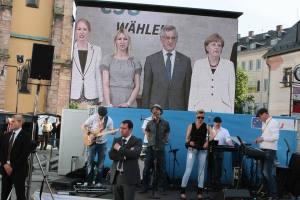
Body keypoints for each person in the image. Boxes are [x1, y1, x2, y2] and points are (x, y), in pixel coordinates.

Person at [142, 25, 192, 111]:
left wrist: (188, 111)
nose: (170, 41)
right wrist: (144, 111)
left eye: (173, 38)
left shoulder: (185, 61)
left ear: (176, 40)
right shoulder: (151, 60)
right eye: (167, 38)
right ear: (161, 39)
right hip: (156, 109)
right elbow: (147, 88)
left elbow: (187, 90)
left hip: (178, 109)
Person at [188, 33, 235, 113]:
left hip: (223, 109)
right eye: (213, 44)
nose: (216, 47)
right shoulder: (198, 64)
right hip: (201, 108)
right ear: (207, 48)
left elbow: (231, 90)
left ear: (221, 49)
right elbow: (193, 90)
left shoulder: (229, 65)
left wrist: (231, 112)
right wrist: (190, 111)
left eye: (219, 45)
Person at [101, 28, 142, 108]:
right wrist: (108, 104)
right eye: (119, 39)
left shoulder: (135, 62)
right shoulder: (107, 59)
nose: (122, 42)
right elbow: (105, 84)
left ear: (129, 41)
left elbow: (137, 86)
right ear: (115, 41)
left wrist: (128, 103)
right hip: (110, 100)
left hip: (130, 100)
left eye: (125, 39)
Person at [81, 106, 117, 187]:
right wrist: (89, 134)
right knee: (90, 163)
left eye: (102, 116)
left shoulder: (109, 120)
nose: (101, 117)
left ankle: (98, 182)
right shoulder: (93, 117)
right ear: (98, 113)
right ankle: (88, 181)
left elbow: (111, 131)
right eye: (100, 115)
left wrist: (113, 132)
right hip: (92, 142)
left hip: (103, 143)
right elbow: (83, 126)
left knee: (101, 164)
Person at [70, 19, 103, 105]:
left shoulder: (96, 50)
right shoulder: (69, 50)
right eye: (79, 29)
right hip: (73, 95)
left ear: (89, 32)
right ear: (75, 31)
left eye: (85, 29)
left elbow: (98, 75)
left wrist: (101, 98)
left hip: (92, 96)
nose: (82, 32)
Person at [139, 104, 170, 195]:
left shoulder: (165, 123)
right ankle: (145, 187)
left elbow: (166, 137)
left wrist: (160, 143)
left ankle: (161, 188)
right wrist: (152, 143)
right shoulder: (149, 123)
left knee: (162, 170)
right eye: (153, 109)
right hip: (150, 148)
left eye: (157, 109)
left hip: (160, 149)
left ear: (160, 111)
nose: (155, 111)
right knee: (147, 169)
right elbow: (148, 136)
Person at [109, 120, 142, 200]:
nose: (121, 130)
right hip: (116, 176)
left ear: (130, 130)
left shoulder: (137, 140)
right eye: (121, 128)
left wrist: (119, 148)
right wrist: (124, 156)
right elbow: (111, 155)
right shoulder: (116, 140)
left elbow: (134, 154)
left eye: (124, 128)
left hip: (129, 177)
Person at [0, 115, 31, 200]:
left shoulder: (26, 136)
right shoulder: (7, 135)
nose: (11, 123)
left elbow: (24, 154)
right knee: (4, 195)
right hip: (6, 169)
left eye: (13, 121)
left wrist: (12, 167)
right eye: (11, 121)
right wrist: (5, 165)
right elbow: (1, 151)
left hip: (18, 170)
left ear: (20, 123)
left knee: (20, 194)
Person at [180, 109, 208, 200]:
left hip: (202, 150)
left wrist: (207, 142)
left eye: (202, 118)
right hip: (192, 149)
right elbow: (186, 138)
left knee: (201, 171)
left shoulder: (206, 126)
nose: (200, 119)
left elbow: (213, 135)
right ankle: (183, 190)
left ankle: (200, 192)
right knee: (188, 170)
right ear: (196, 116)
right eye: (199, 117)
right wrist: (190, 142)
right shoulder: (191, 125)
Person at [255, 108, 279, 200]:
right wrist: (260, 139)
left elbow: (275, 137)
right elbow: (267, 137)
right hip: (264, 150)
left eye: (260, 116)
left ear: (265, 113)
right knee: (263, 172)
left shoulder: (273, 123)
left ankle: (274, 194)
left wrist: (263, 139)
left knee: (267, 172)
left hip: (270, 151)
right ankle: (266, 191)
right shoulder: (265, 124)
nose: (260, 118)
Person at [210, 116, 233, 184]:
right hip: (211, 149)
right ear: (214, 122)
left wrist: (231, 145)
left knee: (218, 166)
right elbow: (206, 139)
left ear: (221, 123)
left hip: (220, 150)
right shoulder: (210, 130)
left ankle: (217, 181)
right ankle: (210, 181)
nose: (217, 124)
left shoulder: (224, 131)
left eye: (219, 122)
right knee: (211, 166)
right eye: (216, 122)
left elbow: (228, 139)